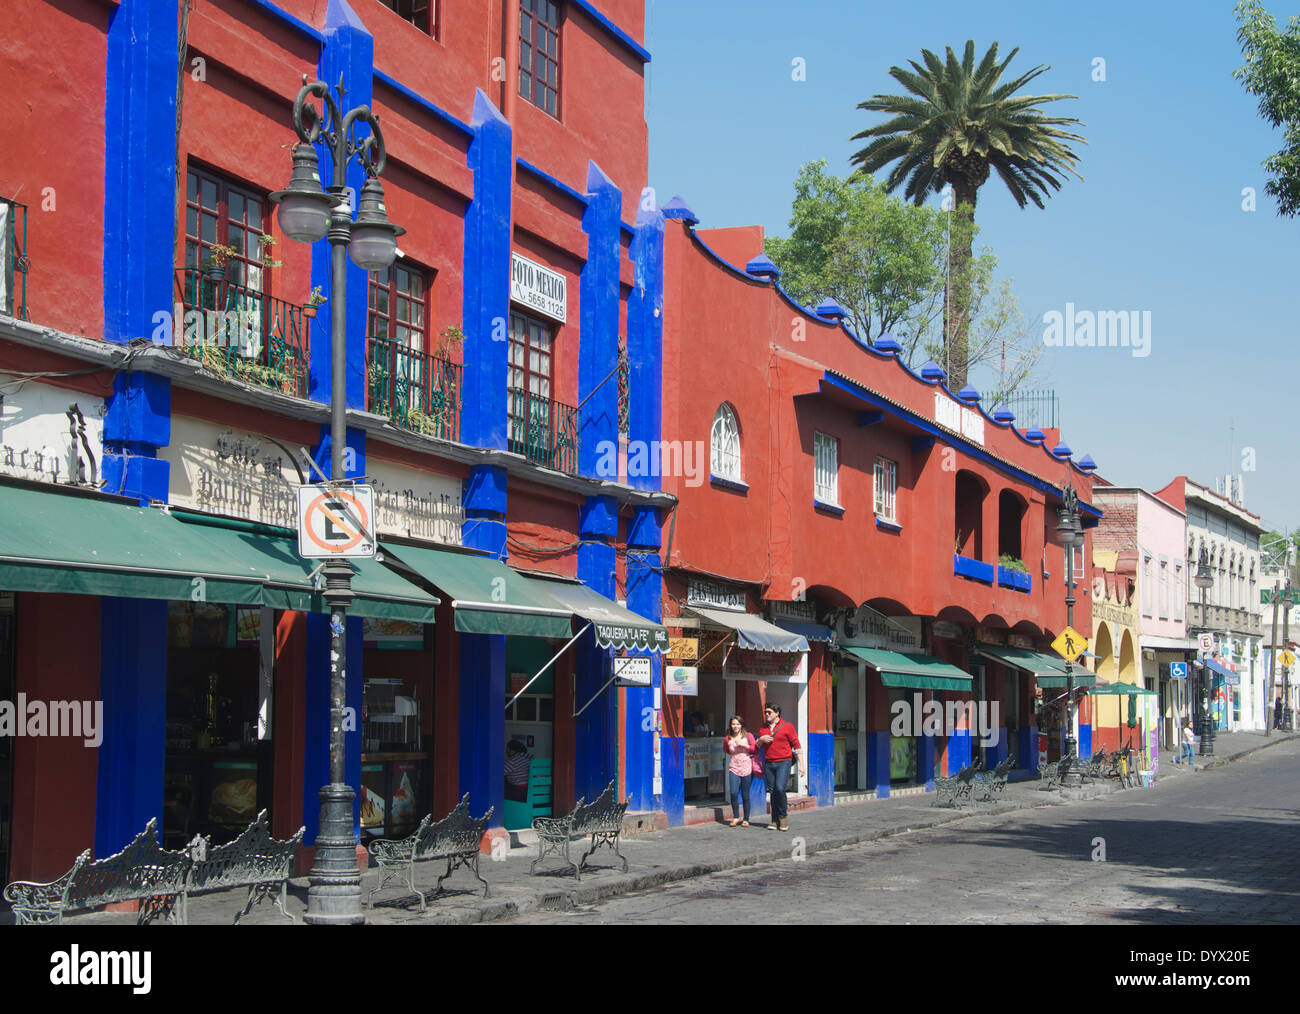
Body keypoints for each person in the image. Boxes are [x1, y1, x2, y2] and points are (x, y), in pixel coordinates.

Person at [755, 703, 805, 832]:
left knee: (780, 789)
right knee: (772, 791)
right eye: (765, 712)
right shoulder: (763, 728)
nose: (767, 714)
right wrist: (760, 740)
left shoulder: (787, 727)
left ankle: (783, 817)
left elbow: (797, 746)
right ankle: (774, 819)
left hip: (784, 762)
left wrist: (801, 766)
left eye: (769, 712)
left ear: (777, 713)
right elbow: (757, 747)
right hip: (769, 763)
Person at [722, 716, 757, 827]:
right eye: (733, 724)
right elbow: (726, 749)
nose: (735, 726)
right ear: (730, 726)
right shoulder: (728, 738)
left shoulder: (748, 736)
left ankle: (746, 819)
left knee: (745, 794)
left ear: (741, 725)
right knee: (733, 793)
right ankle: (736, 817)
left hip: (747, 767)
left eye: (737, 724)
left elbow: (755, 749)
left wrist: (744, 745)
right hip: (734, 767)